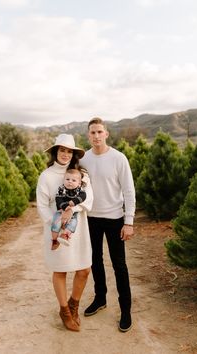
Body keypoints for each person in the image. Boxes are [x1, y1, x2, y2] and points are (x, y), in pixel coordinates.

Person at [81, 117, 136, 332]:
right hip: (91, 219)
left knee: (119, 265)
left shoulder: (118, 158)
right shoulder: (84, 159)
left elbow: (129, 191)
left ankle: (126, 310)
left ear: (106, 134)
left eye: (99, 132)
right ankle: (100, 298)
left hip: (114, 218)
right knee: (95, 260)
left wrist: (128, 221)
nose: (96, 136)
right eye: (92, 132)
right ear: (88, 135)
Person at [36, 133, 93, 332]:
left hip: (79, 229)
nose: (66, 154)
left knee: (84, 269)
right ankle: (65, 311)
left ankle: (73, 304)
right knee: (60, 270)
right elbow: (42, 205)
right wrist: (55, 221)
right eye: (62, 150)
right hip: (57, 228)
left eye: (70, 151)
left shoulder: (81, 174)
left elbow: (88, 200)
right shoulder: (47, 176)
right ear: (55, 152)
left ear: (74, 154)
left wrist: (71, 209)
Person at [51, 168, 87, 249]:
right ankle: (54, 240)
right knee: (55, 224)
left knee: (73, 223)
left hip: (73, 213)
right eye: (67, 179)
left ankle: (65, 235)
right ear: (64, 180)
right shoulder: (61, 189)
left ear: (79, 183)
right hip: (61, 210)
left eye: (73, 180)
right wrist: (64, 206)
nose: (70, 181)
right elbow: (58, 199)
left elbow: (83, 196)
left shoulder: (79, 189)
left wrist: (74, 202)